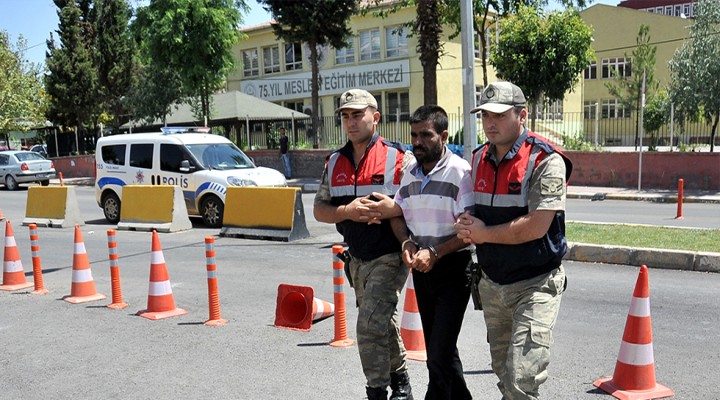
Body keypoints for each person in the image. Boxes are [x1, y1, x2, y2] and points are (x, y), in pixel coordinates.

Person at [454, 81, 573, 400]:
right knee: (505, 376)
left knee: (522, 380)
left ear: (522, 116)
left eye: (499, 115)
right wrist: (465, 223)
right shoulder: (478, 158)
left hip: (535, 285)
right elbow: (471, 208)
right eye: (484, 116)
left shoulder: (546, 160)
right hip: (492, 286)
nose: (490, 123)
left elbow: (537, 226)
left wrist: (481, 234)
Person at [313, 88, 415, 400]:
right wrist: (347, 212)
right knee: (382, 323)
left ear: (376, 117)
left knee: (368, 324)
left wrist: (392, 209)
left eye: (358, 114)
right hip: (356, 258)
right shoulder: (334, 162)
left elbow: (419, 203)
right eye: (345, 116)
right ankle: (401, 381)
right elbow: (319, 210)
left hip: (390, 254)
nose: (351, 121)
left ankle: (376, 391)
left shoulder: (399, 158)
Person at [373, 105, 475, 400]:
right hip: (422, 272)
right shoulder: (411, 173)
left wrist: (434, 251)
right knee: (439, 350)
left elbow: (467, 231)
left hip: (454, 270)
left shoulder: (460, 172)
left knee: (438, 356)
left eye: (426, 135)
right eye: (414, 135)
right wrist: (406, 242)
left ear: (443, 136)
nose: (417, 142)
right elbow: (397, 211)